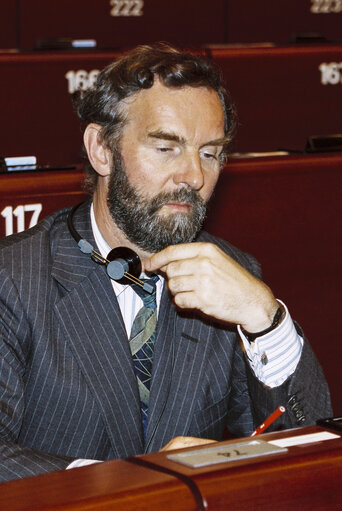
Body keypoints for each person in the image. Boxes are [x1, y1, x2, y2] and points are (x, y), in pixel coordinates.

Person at [0, 43, 331, 482]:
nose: (194, 176)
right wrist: (138, 482)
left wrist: (266, 318)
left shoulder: (232, 274)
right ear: (101, 149)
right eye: (166, 148)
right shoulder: (14, 278)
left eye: (210, 153)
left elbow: (308, 456)